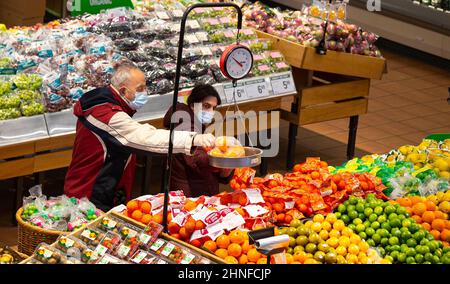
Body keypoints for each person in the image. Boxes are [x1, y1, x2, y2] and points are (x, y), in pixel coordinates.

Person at [64, 63, 215, 211]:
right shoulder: (106, 113)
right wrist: (193, 139)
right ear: (123, 91)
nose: (145, 93)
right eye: (140, 89)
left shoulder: (106, 103)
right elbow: (141, 136)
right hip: (89, 195)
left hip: (103, 188)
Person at [163, 84, 234, 197]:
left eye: (213, 108)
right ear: (192, 105)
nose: (210, 111)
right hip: (190, 195)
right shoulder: (185, 124)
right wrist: (226, 158)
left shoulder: (193, 123)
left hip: (194, 188)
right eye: (206, 106)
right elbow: (197, 159)